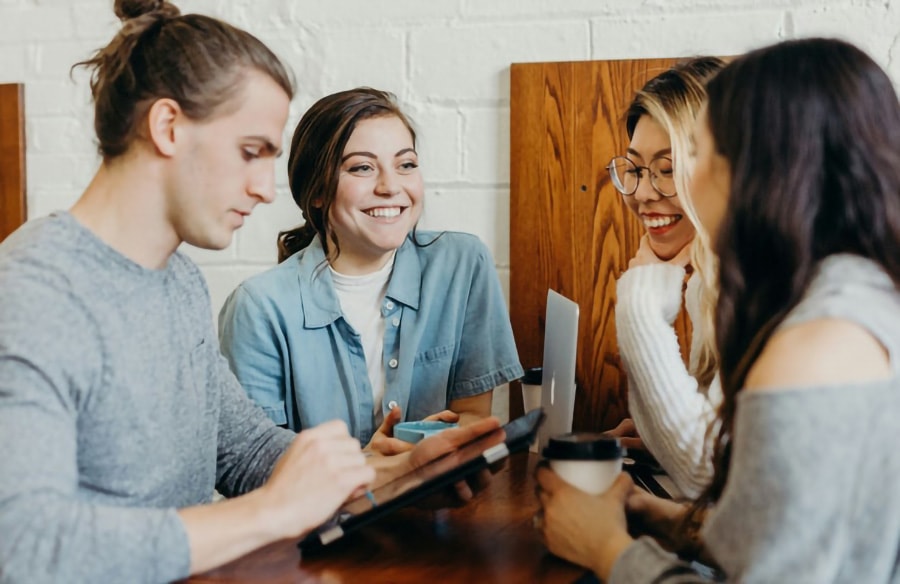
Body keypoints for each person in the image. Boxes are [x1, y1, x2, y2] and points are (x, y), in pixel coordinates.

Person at [0, 2, 500, 582]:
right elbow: (22, 543)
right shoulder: (31, 292)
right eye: (249, 151)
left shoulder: (176, 281)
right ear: (167, 128)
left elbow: (244, 451)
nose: (266, 190)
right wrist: (269, 513)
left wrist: (391, 477)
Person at [536, 37, 900, 582]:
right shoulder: (854, 296)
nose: (656, 189)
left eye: (696, 153)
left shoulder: (814, 347)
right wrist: (665, 519)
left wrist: (607, 549)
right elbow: (787, 534)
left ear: (763, 169)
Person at [218, 87, 524, 454]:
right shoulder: (258, 308)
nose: (391, 186)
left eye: (406, 164)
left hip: (438, 502)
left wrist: (422, 454)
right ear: (316, 190)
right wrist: (371, 467)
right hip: (324, 511)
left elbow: (473, 417)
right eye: (362, 167)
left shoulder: (462, 265)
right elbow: (257, 463)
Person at [608, 57, 725, 498]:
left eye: (667, 168)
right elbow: (718, 451)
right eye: (636, 168)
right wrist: (658, 436)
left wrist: (639, 302)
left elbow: (706, 475)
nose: (641, 193)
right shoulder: (708, 281)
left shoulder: (763, 287)